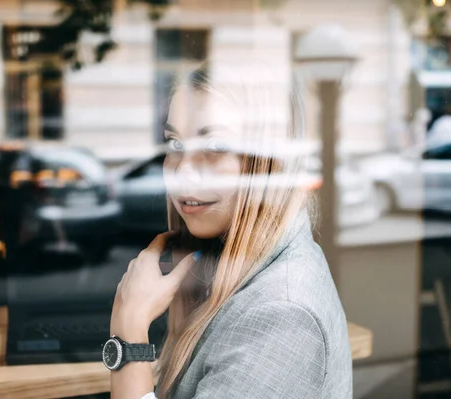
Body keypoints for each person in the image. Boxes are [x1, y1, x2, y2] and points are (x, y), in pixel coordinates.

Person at [106, 63, 352, 398]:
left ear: (268, 162)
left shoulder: (281, 315)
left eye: (216, 147)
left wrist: (129, 330)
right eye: (175, 145)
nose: (183, 174)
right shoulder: (234, 264)